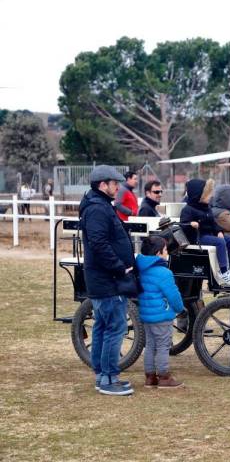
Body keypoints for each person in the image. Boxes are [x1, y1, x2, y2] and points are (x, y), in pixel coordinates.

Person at [79, 165, 136, 396]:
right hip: (107, 279)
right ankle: (108, 379)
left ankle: (104, 376)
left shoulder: (99, 206)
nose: (117, 187)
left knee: (103, 327)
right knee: (115, 328)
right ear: (103, 185)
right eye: (114, 183)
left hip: (103, 279)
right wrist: (120, 267)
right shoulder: (98, 209)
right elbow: (99, 243)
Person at [136, 236, 184, 389]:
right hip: (162, 315)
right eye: (165, 250)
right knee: (163, 345)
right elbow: (173, 295)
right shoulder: (164, 273)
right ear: (158, 253)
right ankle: (164, 376)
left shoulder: (141, 269)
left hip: (146, 314)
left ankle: (150, 377)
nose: (167, 252)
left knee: (150, 345)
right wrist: (179, 308)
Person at [180, 179, 230, 285]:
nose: (211, 196)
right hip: (197, 237)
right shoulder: (187, 210)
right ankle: (223, 271)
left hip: (209, 235)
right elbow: (183, 225)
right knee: (219, 242)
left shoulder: (206, 208)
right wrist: (191, 224)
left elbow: (213, 223)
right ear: (199, 195)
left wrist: (219, 231)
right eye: (208, 194)